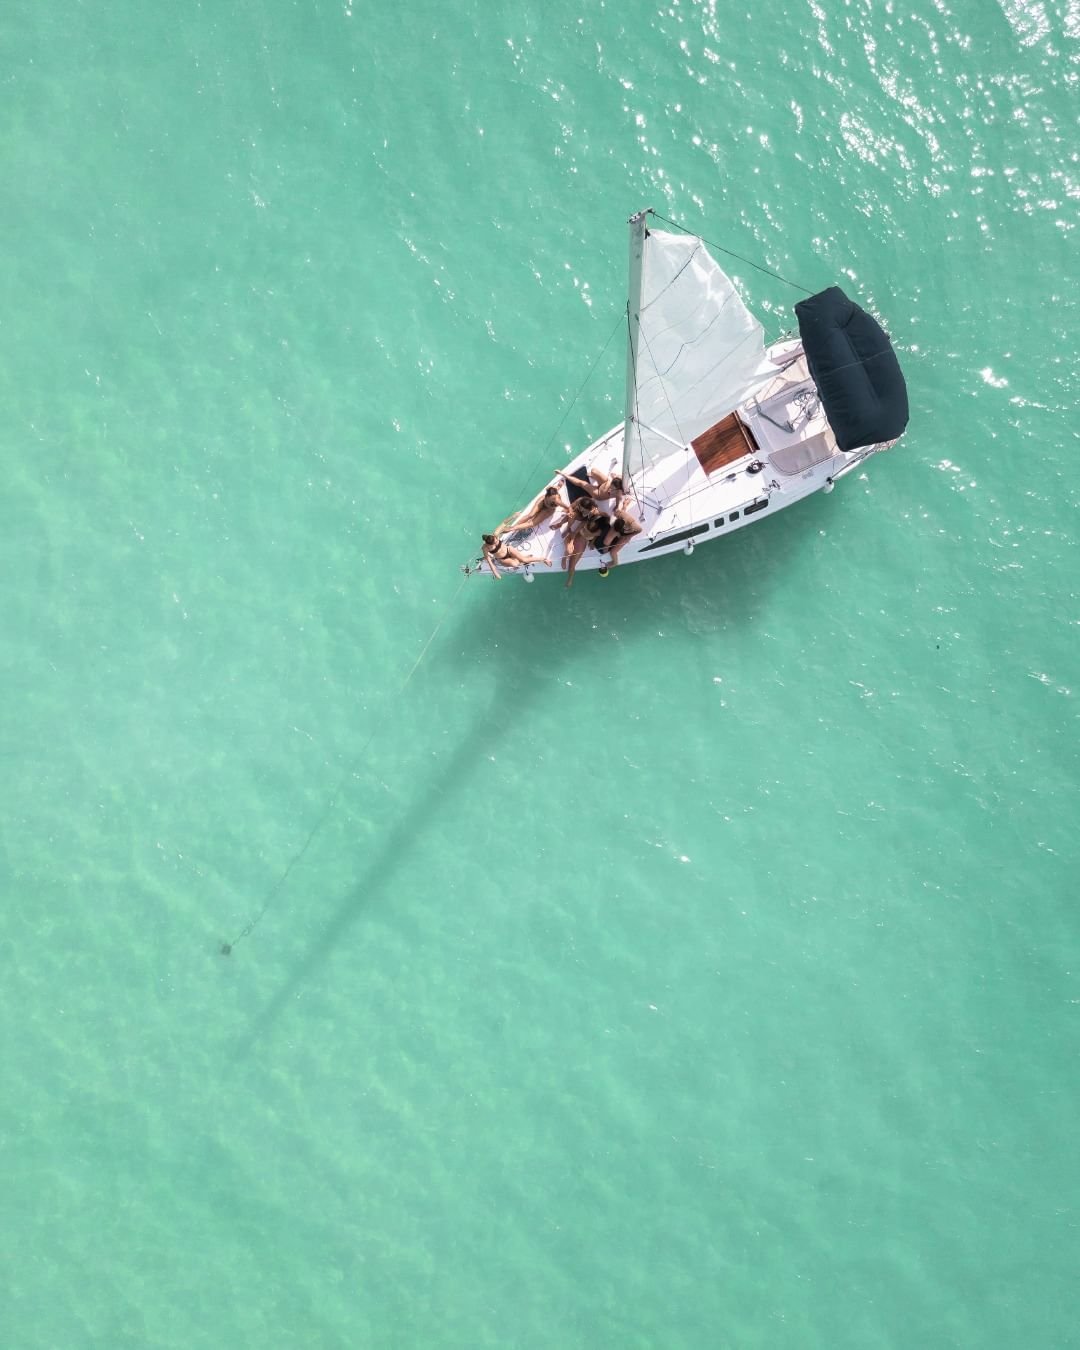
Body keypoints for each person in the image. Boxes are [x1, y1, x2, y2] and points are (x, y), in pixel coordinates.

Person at [481, 533, 552, 580]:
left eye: (496, 541)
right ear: (488, 544)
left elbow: (504, 523)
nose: (496, 543)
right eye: (494, 543)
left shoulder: (495, 535)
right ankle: (522, 559)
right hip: (502, 558)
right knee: (515, 564)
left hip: (509, 550)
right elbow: (489, 561)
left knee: (524, 560)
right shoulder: (485, 548)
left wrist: (513, 516)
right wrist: (495, 573)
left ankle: (543, 559)